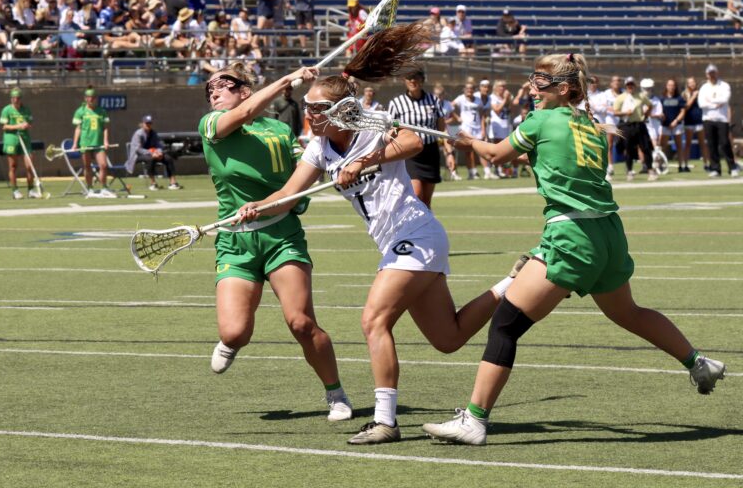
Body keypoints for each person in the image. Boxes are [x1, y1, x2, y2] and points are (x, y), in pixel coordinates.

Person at [422, 52, 727, 446]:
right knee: (628, 312)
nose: (531, 88)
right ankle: (698, 363)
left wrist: (467, 141)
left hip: (572, 235)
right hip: (608, 233)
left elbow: (497, 156)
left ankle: (474, 419)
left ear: (563, 88)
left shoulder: (541, 120)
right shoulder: (589, 123)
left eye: (539, 82)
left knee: (506, 324)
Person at [237, 38, 519, 444]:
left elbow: (413, 142)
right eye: (309, 107)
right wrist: (256, 207)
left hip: (416, 233)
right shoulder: (318, 146)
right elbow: (287, 194)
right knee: (449, 338)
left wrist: (362, 161)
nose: (310, 114)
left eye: (317, 108)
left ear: (339, 111)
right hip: (396, 242)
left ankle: (385, 421)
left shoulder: (369, 123)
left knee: (373, 320)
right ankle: (515, 283)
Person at [200, 62, 353, 423]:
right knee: (235, 332)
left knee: (301, 323)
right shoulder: (210, 126)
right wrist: (287, 80)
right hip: (235, 243)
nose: (214, 91)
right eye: (209, 89)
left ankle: (336, 393)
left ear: (244, 89)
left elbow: (299, 176)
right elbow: (245, 114)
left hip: (281, 234)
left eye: (224, 85)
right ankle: (231, 343)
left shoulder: (279, 129)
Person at [388, 68, 445, 208]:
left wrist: (445, 145)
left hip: (430, 151)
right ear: (405, 81)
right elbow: (392, 124)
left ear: (422, 80)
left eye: (416, 78)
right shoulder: (396, 103)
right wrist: (398, 127)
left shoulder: (433, 100)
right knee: (417, 194)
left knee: (426, 199)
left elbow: (441, 124)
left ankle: (427, 228)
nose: (413, 81)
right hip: (410, 152)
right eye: (409, 78)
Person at [71, 87, 114, 198]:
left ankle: (104, 188)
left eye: (93, 97)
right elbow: (78, 128)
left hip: (98, 143)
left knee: (103, 165)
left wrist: (106, 141)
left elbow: (105, 128)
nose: (91, 99)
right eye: (89, 97)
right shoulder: (80, 111)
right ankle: (90, 189)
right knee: (87, 167)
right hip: (85, 143)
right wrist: (75, 143)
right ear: (85, 98)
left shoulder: (102, 111)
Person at [612, 76, 657, 181]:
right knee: (628, 149)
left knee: (646, 148)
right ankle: (629, 171)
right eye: (628, 85)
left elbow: (650, 105)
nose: (630, 87)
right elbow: (615, 112)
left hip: (639, 124)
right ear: (626, 86)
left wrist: (646, 114)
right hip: (627, 125)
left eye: (632, 85)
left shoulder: (641, 96)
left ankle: (650, 170)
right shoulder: (621, 98)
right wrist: (625, 113)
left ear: (635, 86)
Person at [698, 64, 739, 178]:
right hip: (708, 119)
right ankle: (715, 168)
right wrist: (715, 103)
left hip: (722, 119)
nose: (712, 75)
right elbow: (702, 103)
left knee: (725, 143)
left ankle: (732, 167)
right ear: (706, 75)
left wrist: (710, 101)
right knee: (712, 145)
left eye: (713, 73)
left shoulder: (724, 85)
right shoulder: (704, 88)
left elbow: (725, 99)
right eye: (710, 73)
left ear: (717, 73)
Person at [0, 88, 41, 199]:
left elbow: (29, 123)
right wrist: (18, 126)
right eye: (13, 98)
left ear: (20, 98)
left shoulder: (26, 110)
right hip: (11, 139)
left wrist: (27, 125)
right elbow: (4, 126)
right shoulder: (6, 110)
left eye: (17, 98)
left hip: (25, 139)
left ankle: (31, 190)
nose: (15, 100)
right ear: (11, 98)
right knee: (13, 166)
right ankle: (15, 191)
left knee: (30, 166)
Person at [125, 115, 181, 190]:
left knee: (168, 158)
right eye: (147, 123)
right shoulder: (138, 134)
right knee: (150, 159)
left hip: (154, 154)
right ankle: (153, 184)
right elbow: (138, 149)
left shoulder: (153, 133)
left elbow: (159, 145)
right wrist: (151, 153)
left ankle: (173, 183)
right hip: (137, 156)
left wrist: (159, 152)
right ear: (143, 124)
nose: (148, 125)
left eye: (150, 123)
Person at [451, 80, 486, 180]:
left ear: (474, 90)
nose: (469, 90)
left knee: (480, 149)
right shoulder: (460, 98)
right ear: (464, 90)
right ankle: (472, 172)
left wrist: (483, 129)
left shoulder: (478, 100)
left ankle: (486, 171)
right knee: (468, 151)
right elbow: (449, 106)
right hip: (466, 128)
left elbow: (482, 115)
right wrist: (456, 117)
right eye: (467, 88)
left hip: (477, 128)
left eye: (471, 88)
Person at [660, 78, 689, 172]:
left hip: (677, 125)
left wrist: (675, 121)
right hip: (665, 126)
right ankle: (662, 165)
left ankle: (681, 166)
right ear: (666, 86)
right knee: (662, 146)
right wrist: (663, 117)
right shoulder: (662, 98)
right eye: (669, 85)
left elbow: (683, 112)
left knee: (679, 146)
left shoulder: (679, 98)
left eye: (673, 85)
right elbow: (659, 111)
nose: (671, 87)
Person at [681, 76, 708, 171]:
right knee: (688, 144)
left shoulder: (701, 93)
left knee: (703, 144)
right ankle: (685, 165)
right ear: (687, 84)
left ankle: (706, 164)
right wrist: (693, 96)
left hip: (700, 122)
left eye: (693, 82)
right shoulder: (684, 94)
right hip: (689, 123)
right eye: (690, 82)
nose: (692, 84)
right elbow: (686, 107)